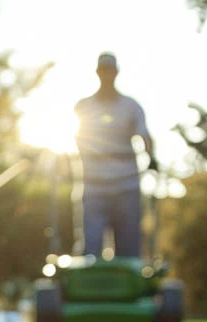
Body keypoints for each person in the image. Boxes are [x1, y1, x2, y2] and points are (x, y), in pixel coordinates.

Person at [74, 52, 158, 258]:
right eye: (103, 70)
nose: (106, 75)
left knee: (129, 246)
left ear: (116, 72)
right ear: (97, 72)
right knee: (91, 247)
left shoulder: (130, 106)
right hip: (93, 185)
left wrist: (152, 158)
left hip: (126, 185)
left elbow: (145, 137)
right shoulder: (84, 107)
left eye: (110, 70)